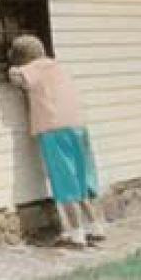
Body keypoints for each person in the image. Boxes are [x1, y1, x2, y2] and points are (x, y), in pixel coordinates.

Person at [8, 34, 106, 248]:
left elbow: (17, 77)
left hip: (54, 128)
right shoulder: (58, 67)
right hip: (78, 126)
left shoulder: (32, 68)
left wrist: (11, 67)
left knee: (65, 180)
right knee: (81, 178)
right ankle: (95, 226)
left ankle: (76, 233)